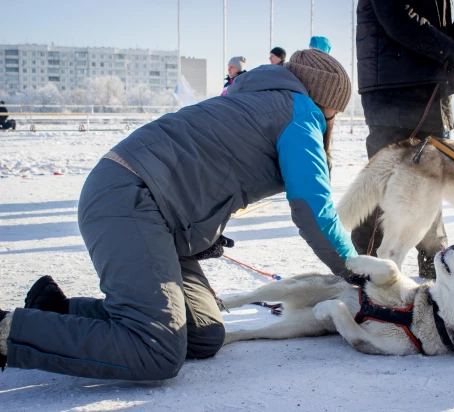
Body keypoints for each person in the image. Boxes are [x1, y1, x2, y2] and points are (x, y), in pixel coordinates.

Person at [0, 49, 357, 379]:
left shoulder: (253, 98)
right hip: (130, 198)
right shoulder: (299, 113)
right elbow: (314, 209)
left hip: (146, 205)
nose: (333, 121)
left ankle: (56, 312)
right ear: (326, 102)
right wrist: (357, 273)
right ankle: (7, 332)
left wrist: (202, 233)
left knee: (204, 335)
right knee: (155, 348)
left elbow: (200, 172)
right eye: (335, 113)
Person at [353, 0, 454, 278]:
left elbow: (432, 26)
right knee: (388, 179)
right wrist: (449, 47)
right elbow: (398, 18)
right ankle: (364, 270)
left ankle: (434, 260)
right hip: (397, 90)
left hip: (429, 87)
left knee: (431, 176)